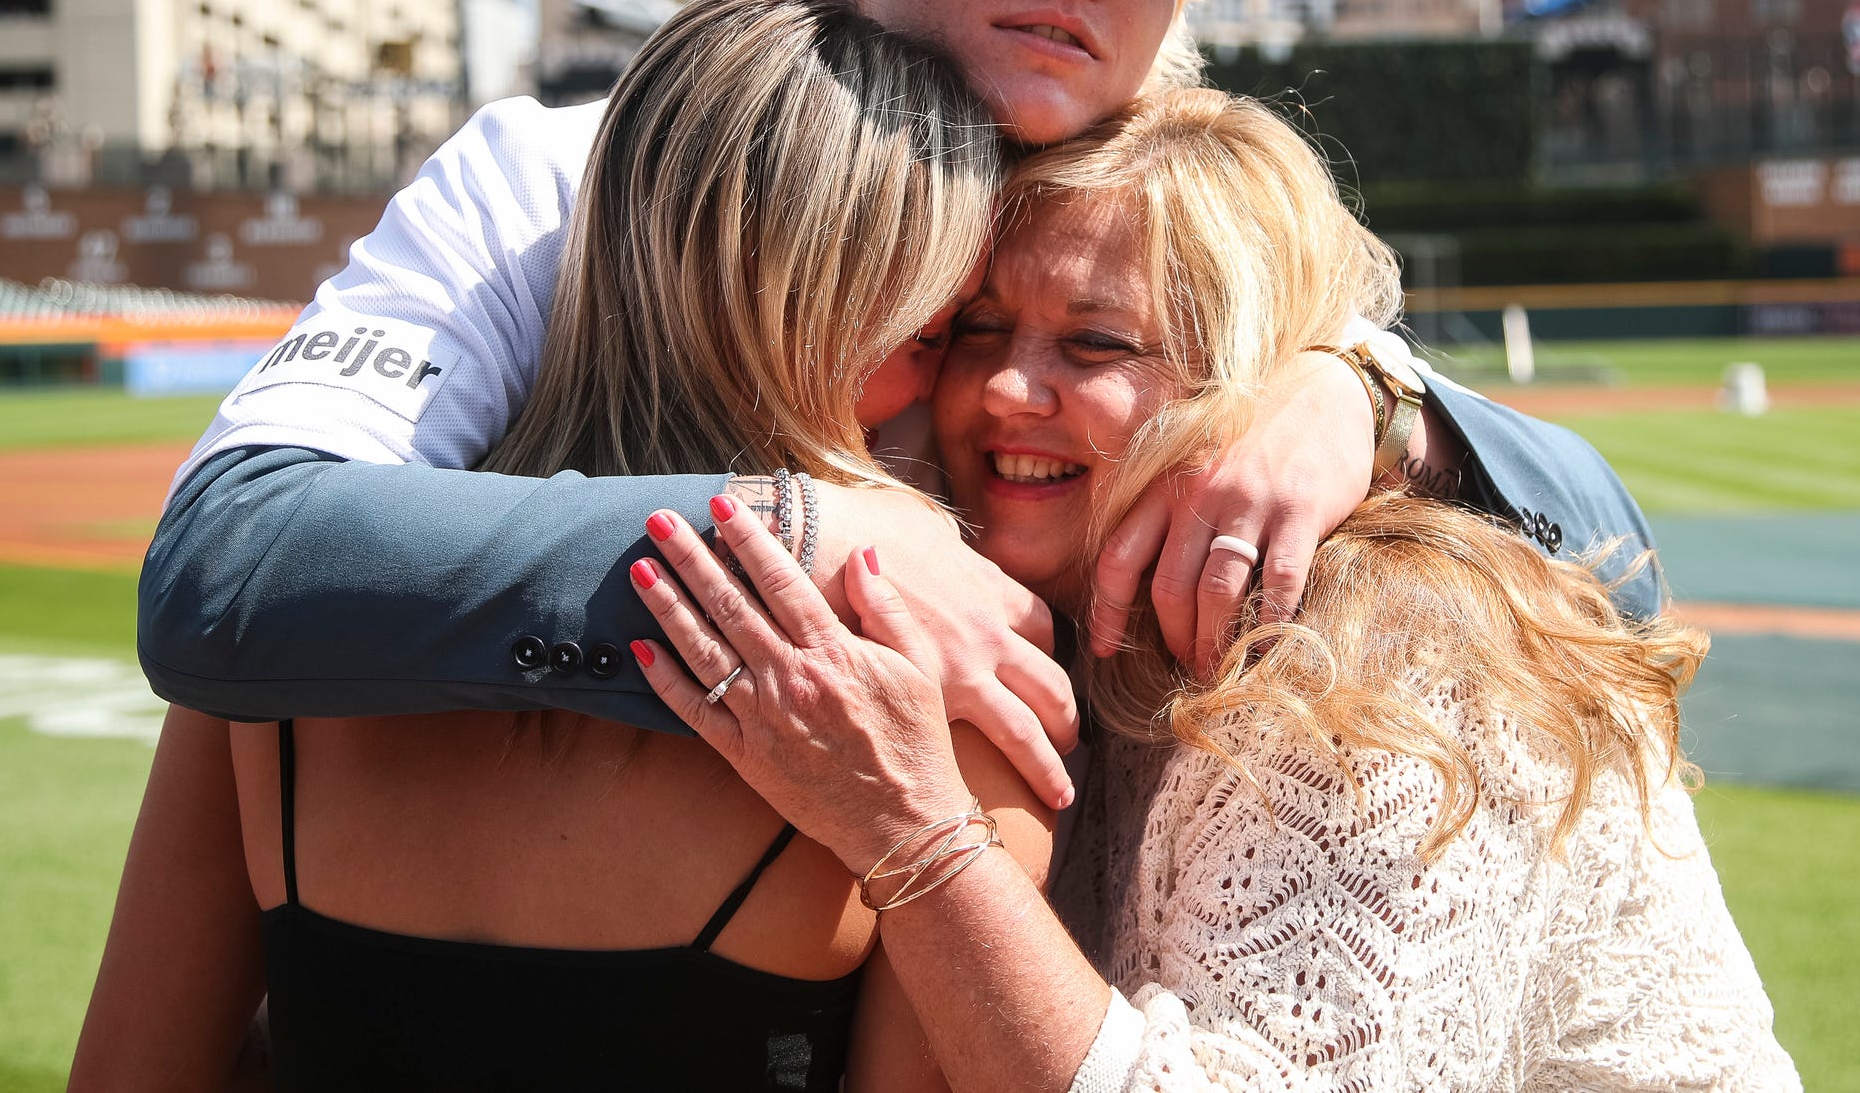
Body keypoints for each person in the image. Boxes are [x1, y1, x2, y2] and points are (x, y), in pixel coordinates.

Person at [132, 0, 1664, 816]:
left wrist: (1366, 402)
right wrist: (789, 541)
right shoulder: (572, 175)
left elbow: (1620, 564)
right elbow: (228, 564)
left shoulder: (1197, 230)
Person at [628, 87, 1800, 1092]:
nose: (1005, 391)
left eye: (1093, 346)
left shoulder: (1391, 653)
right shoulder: (1059, 609)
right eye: (979, 329)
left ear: (1240, 380)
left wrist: (913, 834)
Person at [71, 0, 1056, 1091]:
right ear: (801, 311)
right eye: (931, 331)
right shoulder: (940, 714)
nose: (944, 380)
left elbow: (124, 1070)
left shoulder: (282, 664)